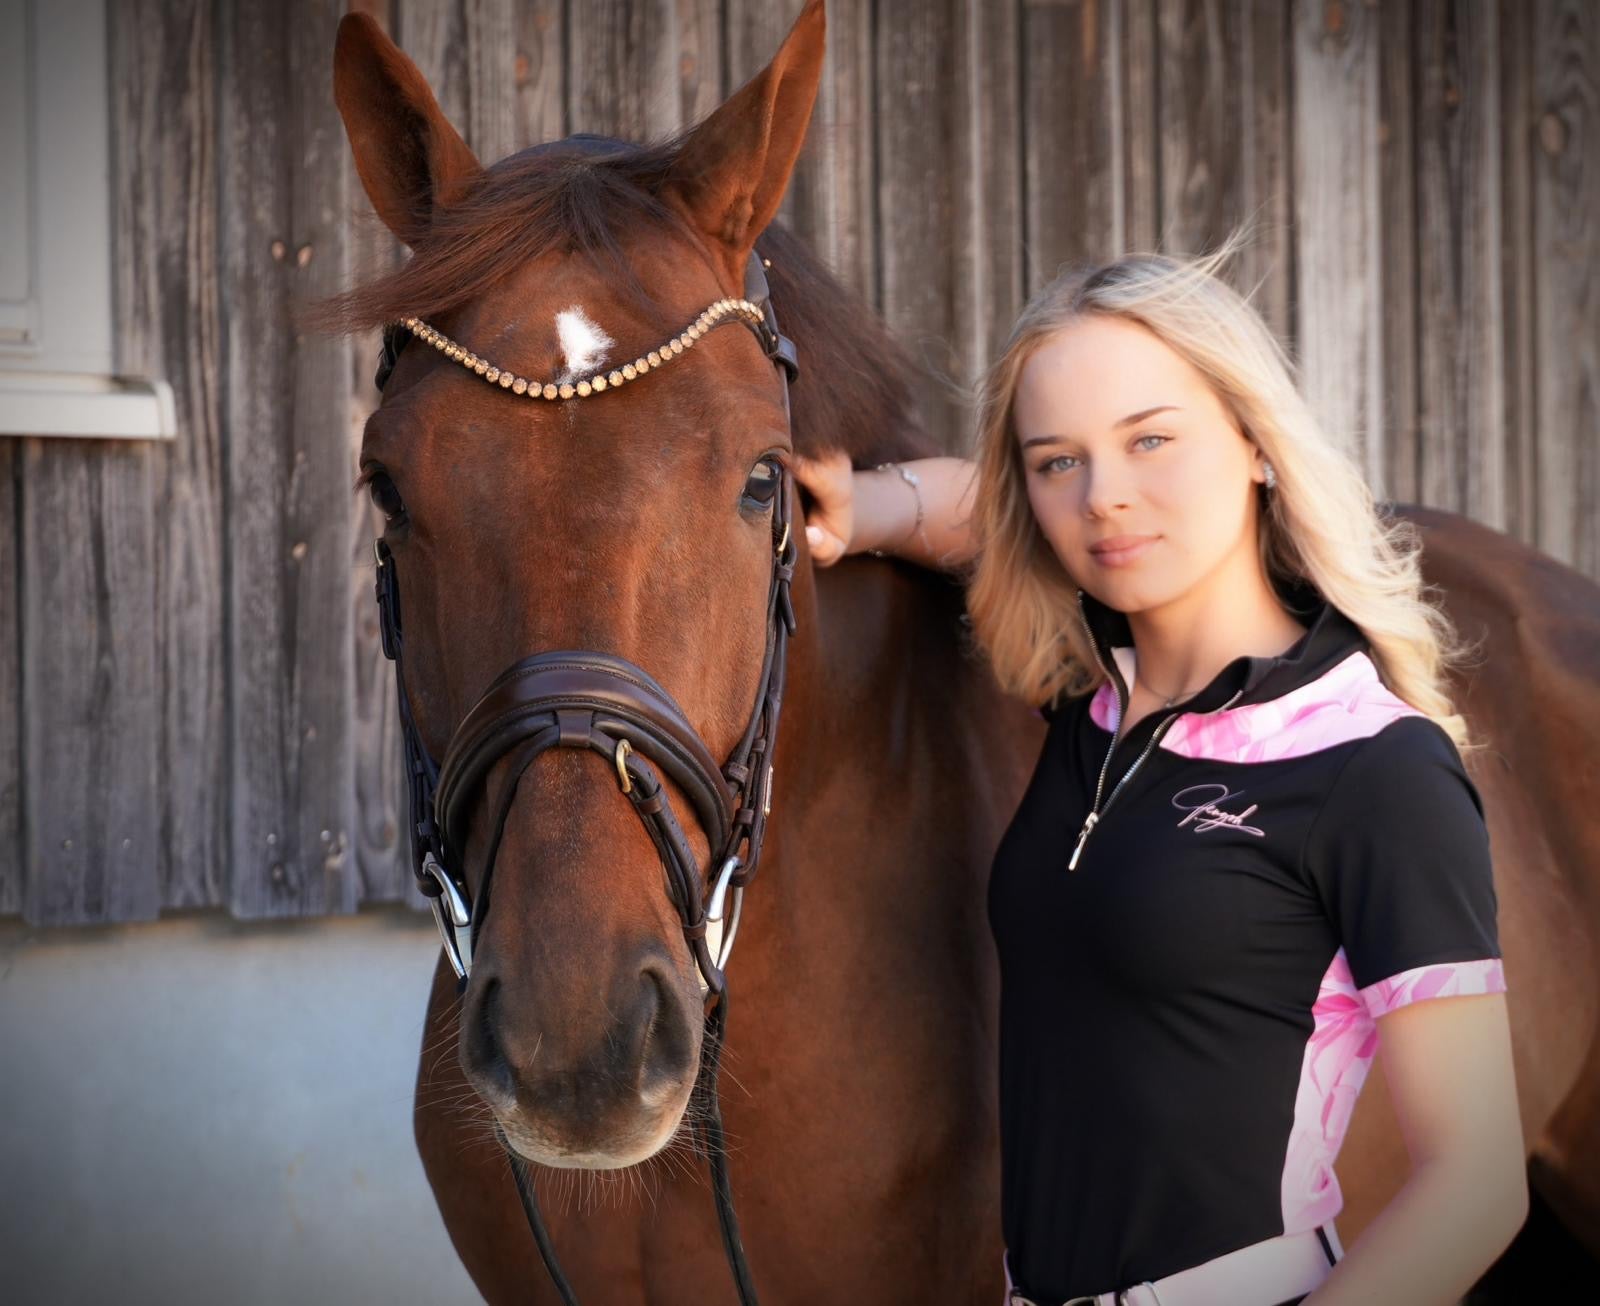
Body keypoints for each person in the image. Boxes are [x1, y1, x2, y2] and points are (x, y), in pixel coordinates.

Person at [791, 240, 1527, 1306]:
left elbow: (1475, 1183)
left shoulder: (1370, 764)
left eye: (1151, 440)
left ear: (1255, 443)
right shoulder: (1088, 701)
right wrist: (863, 508)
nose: (1105, 498)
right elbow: (971, 513)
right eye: (1059, 461)